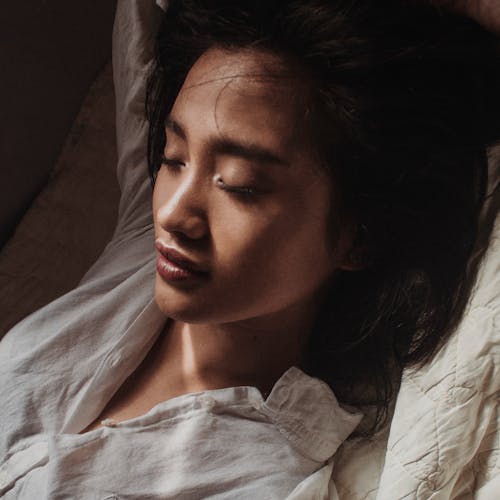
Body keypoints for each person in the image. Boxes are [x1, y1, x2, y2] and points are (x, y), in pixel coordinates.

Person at [0, 0, 499, 498]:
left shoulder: (264, 481)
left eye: (238, 185)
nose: (173, 213)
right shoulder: (137, 247)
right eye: (174, 158)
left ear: (358, 235)